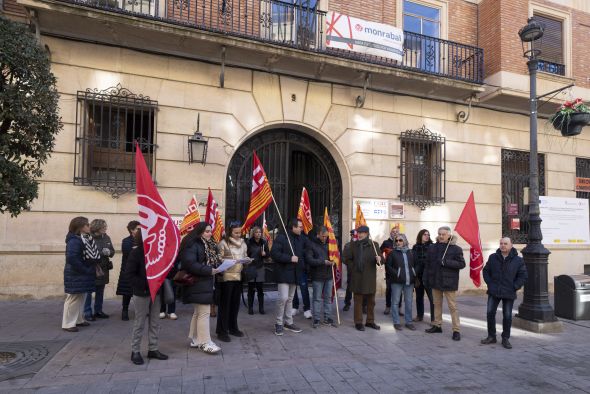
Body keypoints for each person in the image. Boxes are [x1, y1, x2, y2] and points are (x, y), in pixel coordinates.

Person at [126, 229, 168, 365]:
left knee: (155, 322)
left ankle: (153, 349)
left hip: (156, 292)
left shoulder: (158, 252)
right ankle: (135, 351)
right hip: (142, 292)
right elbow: (130, 275)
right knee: (140, 322)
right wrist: (146, 284)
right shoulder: (136, 252)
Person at [180, 222, 222, 354]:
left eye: (210, 231)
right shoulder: (193, 244)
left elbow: (213, 260)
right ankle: (205, 342)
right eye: (207, 231)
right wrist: (209, 270)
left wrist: (221, 266)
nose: (210, 233)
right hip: (197, 282)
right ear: (200, 232)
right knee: (204, 312)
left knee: (198, 312)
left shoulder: (209, 244)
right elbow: (189, 263)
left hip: (204, 282)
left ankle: (195, 339)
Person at [481, 237, 528, 349]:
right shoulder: (493, 257)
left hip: (509, 291)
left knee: (507, 316)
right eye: (501, 243)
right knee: (490, 313)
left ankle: (505, 338)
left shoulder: (518, 260)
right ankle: (491, 336)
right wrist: (490, 284)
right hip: (494, 291)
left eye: (505, 244)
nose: (502, 245)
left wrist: (515, 286)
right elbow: (486, 271)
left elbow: (523, 276)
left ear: (511, 245)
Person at [423, 226, 466, 341]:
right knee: (436, 304)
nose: (441, 236)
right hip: (435, 280)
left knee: (452, 306)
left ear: (449, 235)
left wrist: (446, 262)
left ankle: (456, 330)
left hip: (449, 281)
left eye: (443, 234)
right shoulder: (432, 247)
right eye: (439, 234)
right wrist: (426, 278)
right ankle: (437, 325)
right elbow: (427, 264)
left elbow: (462, 264)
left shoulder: (456, 249)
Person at [271, 218, 307, 336]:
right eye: (300, 227)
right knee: (283, 298)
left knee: (290, 298)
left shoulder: (301, 238)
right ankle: (279, 323)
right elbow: (274, 254)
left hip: (295, 273)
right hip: (283, 273)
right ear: (293, 227)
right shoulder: (282, 237)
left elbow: (303, 252)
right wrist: (289, 258)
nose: (302, 229)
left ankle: (288, 322)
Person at [343, 225, 381, 331]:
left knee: (371, 301)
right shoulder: (353, 245)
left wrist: (380, 259)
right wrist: (354, 267)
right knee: (358, 301)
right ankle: (358, 322)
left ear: (367, 234)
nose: (359, 235)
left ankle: (370, 321)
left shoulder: (374, 245)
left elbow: (381, 261)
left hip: (370, 277)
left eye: (361, 233)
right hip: (357, 276)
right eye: (358, 233)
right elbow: (346, 259)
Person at [62, 217, 96, 332]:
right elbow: (72, 258)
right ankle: (68, 324)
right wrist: (85, 269)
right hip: (75, 273)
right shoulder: (74, 240)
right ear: (80, 227)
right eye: (87, 225)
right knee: (73, 298)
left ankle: (78, 320)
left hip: (79, 273)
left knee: (80, 297)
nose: (89, 226)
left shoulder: (81, 238)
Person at [216, 221, 248, 342]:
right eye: (236, 232)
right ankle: (222, 331)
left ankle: (233, 327)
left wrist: (246, 260)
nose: (239, 234)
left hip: (238, 277)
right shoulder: (223, 243)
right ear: (230, 231)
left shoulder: (244, 244)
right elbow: (218, 259)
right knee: (225, 306)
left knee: (235, 305)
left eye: (240, 232)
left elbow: (245, 255)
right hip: (226, 278)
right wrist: (230, 261)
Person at [305, 226, 337, 328]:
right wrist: (323, 262)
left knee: (328, 297)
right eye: (323, 236)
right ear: (318, 234)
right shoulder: (311, 244)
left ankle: (327, 317)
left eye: (326, 236)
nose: (324, 238)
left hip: (328, 275)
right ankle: (317, 319)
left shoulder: (330, 244)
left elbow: (335, 257)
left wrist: (334, 261)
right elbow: (309, 260)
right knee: (317, 298)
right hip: (317, 275)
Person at [84, 219, 115, 320]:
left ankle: (98, 311)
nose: (106, 228)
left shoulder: (106, 237)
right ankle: (87, 313)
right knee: (89, 291)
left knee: (100, 291)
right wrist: (102, 252)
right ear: (97, 227)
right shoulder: (88, 238)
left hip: (104, 268)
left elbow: (112, 251)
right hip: (93, 268)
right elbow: (88, 253)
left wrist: (109, 252)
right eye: (104, 227)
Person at [385, 233, 416, 331]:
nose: (398, 242)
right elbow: (388, 267)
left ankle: (409, 322)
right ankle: (396, 322)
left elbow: (418, 264)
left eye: (400, 240)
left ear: (405, 241)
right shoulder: (392, 253)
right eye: (396, 241)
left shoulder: (411, 252)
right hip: (396, 282)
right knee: (395, 302)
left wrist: (414, 272)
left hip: (409, 282)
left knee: (409, 302)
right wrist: (397, 274)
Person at [117, 220, 140, 321]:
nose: (140, 230)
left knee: (139, 292)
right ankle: (124, 311)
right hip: (128, 270)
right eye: (138, 229)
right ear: (132, 230)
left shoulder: (143, 240)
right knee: (127, 293)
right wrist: (137, 249)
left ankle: (140, 311)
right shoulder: (126, 241)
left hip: (139, 271)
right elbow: (128, 253)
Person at [246, 226, 270, 315]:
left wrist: (265, 254)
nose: (258, 234)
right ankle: (250, 308)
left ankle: (261, 308)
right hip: (251, 267)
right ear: (253, 233)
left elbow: (268, 256)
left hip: (260, 267)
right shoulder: (249, 242)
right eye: (256, 232)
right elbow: (245, 254)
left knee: (260, 289)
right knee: (251, 289)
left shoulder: (264, 242)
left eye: (260, 232)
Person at [380, 226, 403, 316]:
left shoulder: (401, 242)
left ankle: (399, 308)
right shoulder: (386, 243)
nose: (395, 233)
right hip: (389, 270)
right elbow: (379, 252)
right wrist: (383, 261)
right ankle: (388, 306)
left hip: (400, 270)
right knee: (389, 289)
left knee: (400, 290)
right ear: (390, 233)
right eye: (393, 232)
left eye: (397, 232)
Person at [412, 229, 434, 322]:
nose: (427, 236)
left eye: (428, 235)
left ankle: (434, 319)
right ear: (420, 235)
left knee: (432, 299)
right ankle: (419, 316)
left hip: (429, 276)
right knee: (419, 297)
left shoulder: (433, 247)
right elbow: (412, 261)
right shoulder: (415, 247)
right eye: (425, 234)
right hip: (418, 276)